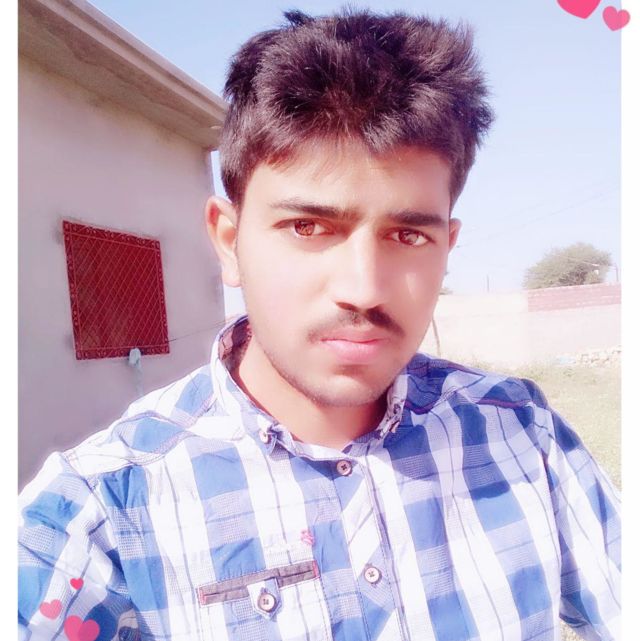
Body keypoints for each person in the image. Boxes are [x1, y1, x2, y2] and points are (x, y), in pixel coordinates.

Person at [18, 8, 620, 641]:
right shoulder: (101, 512)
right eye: (308, 227)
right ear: (228, 241)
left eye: (408, 235)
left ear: (447, 245)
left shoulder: (520, 433)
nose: (363, 288)